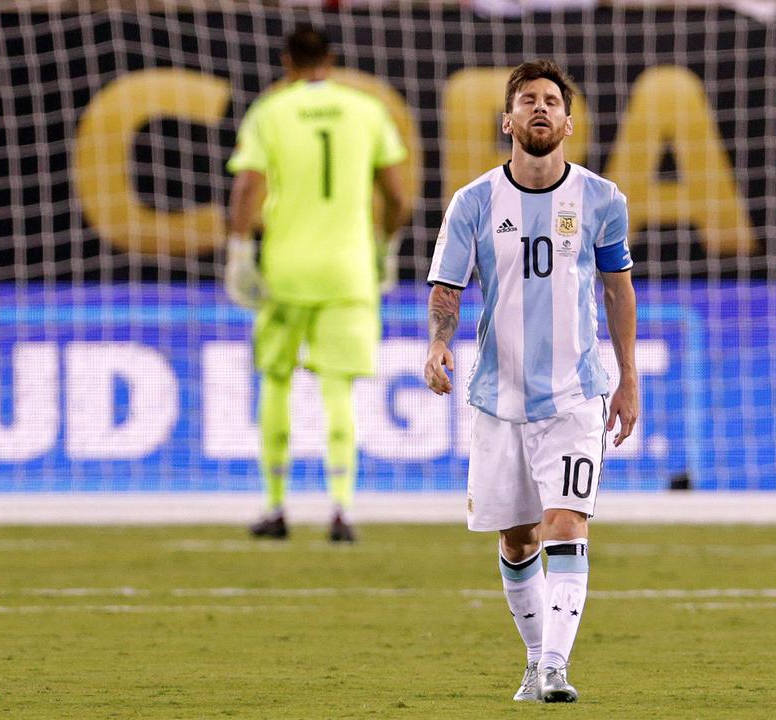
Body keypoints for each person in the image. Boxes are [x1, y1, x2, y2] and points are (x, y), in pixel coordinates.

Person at [423, 59, 638, 704]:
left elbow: (617, 290)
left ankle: (553, 669)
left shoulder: (603, 200)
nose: (540, 109)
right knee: (516, 541)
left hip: (575, 396)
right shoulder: (474, 202)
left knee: (566, 524)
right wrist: (438, 343)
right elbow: (447, 287)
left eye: (551, 101)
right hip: (498, 399)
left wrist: (629, 379)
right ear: (508, 121)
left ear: (569, 122)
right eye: (528, 102)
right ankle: (534, 659)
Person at [225, 25, 408, 543]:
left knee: (277, 383)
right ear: (331, 58)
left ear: (286, 61)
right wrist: (385, 246)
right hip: (350, 270)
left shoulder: (270, 111)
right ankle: (341, 510)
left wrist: (239, 252)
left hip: (286, 270)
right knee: (338, 392)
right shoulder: (367, 110)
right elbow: (397, 197)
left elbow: (247, 188)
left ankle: (276, 506)